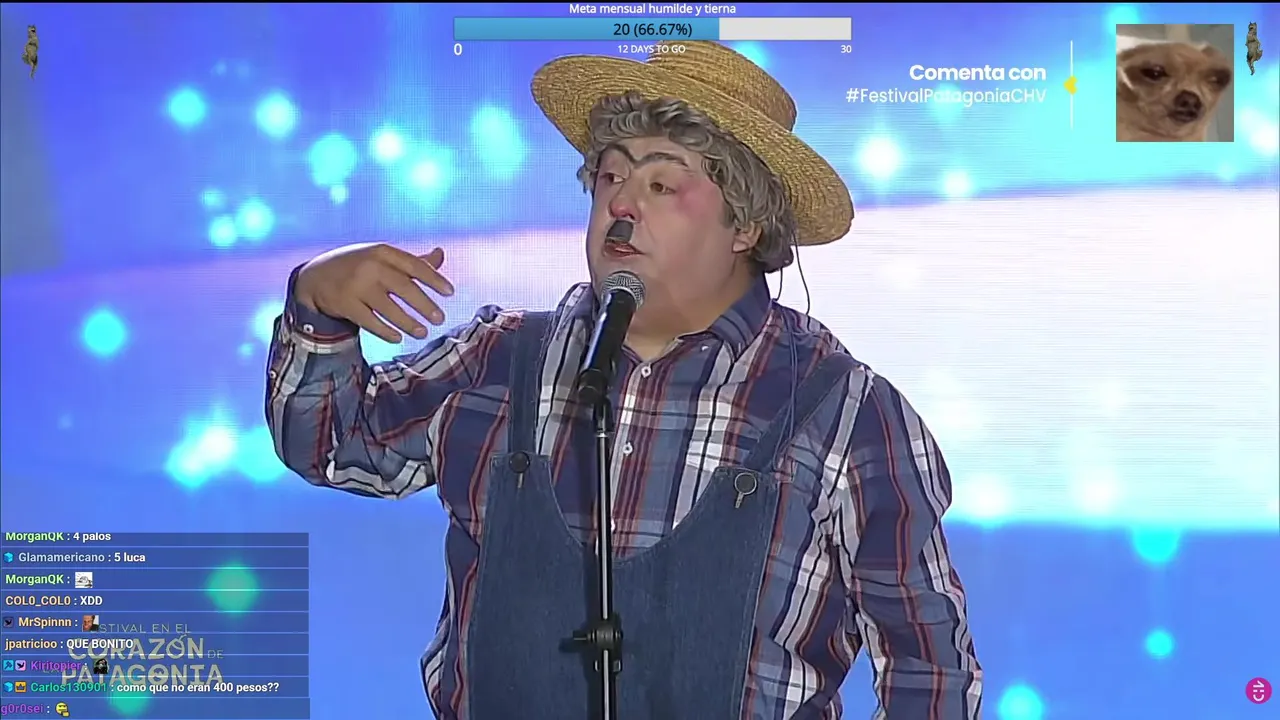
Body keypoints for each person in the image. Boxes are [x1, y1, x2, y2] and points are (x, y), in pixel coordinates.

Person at [266, 42, 981, 720]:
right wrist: (317, 305)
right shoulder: (501, 358)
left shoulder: (847, 414)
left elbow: (930, 668)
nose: (621, 204)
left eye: (661, 183)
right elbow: (330, 444)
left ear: (746, 224)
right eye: (611, 177)